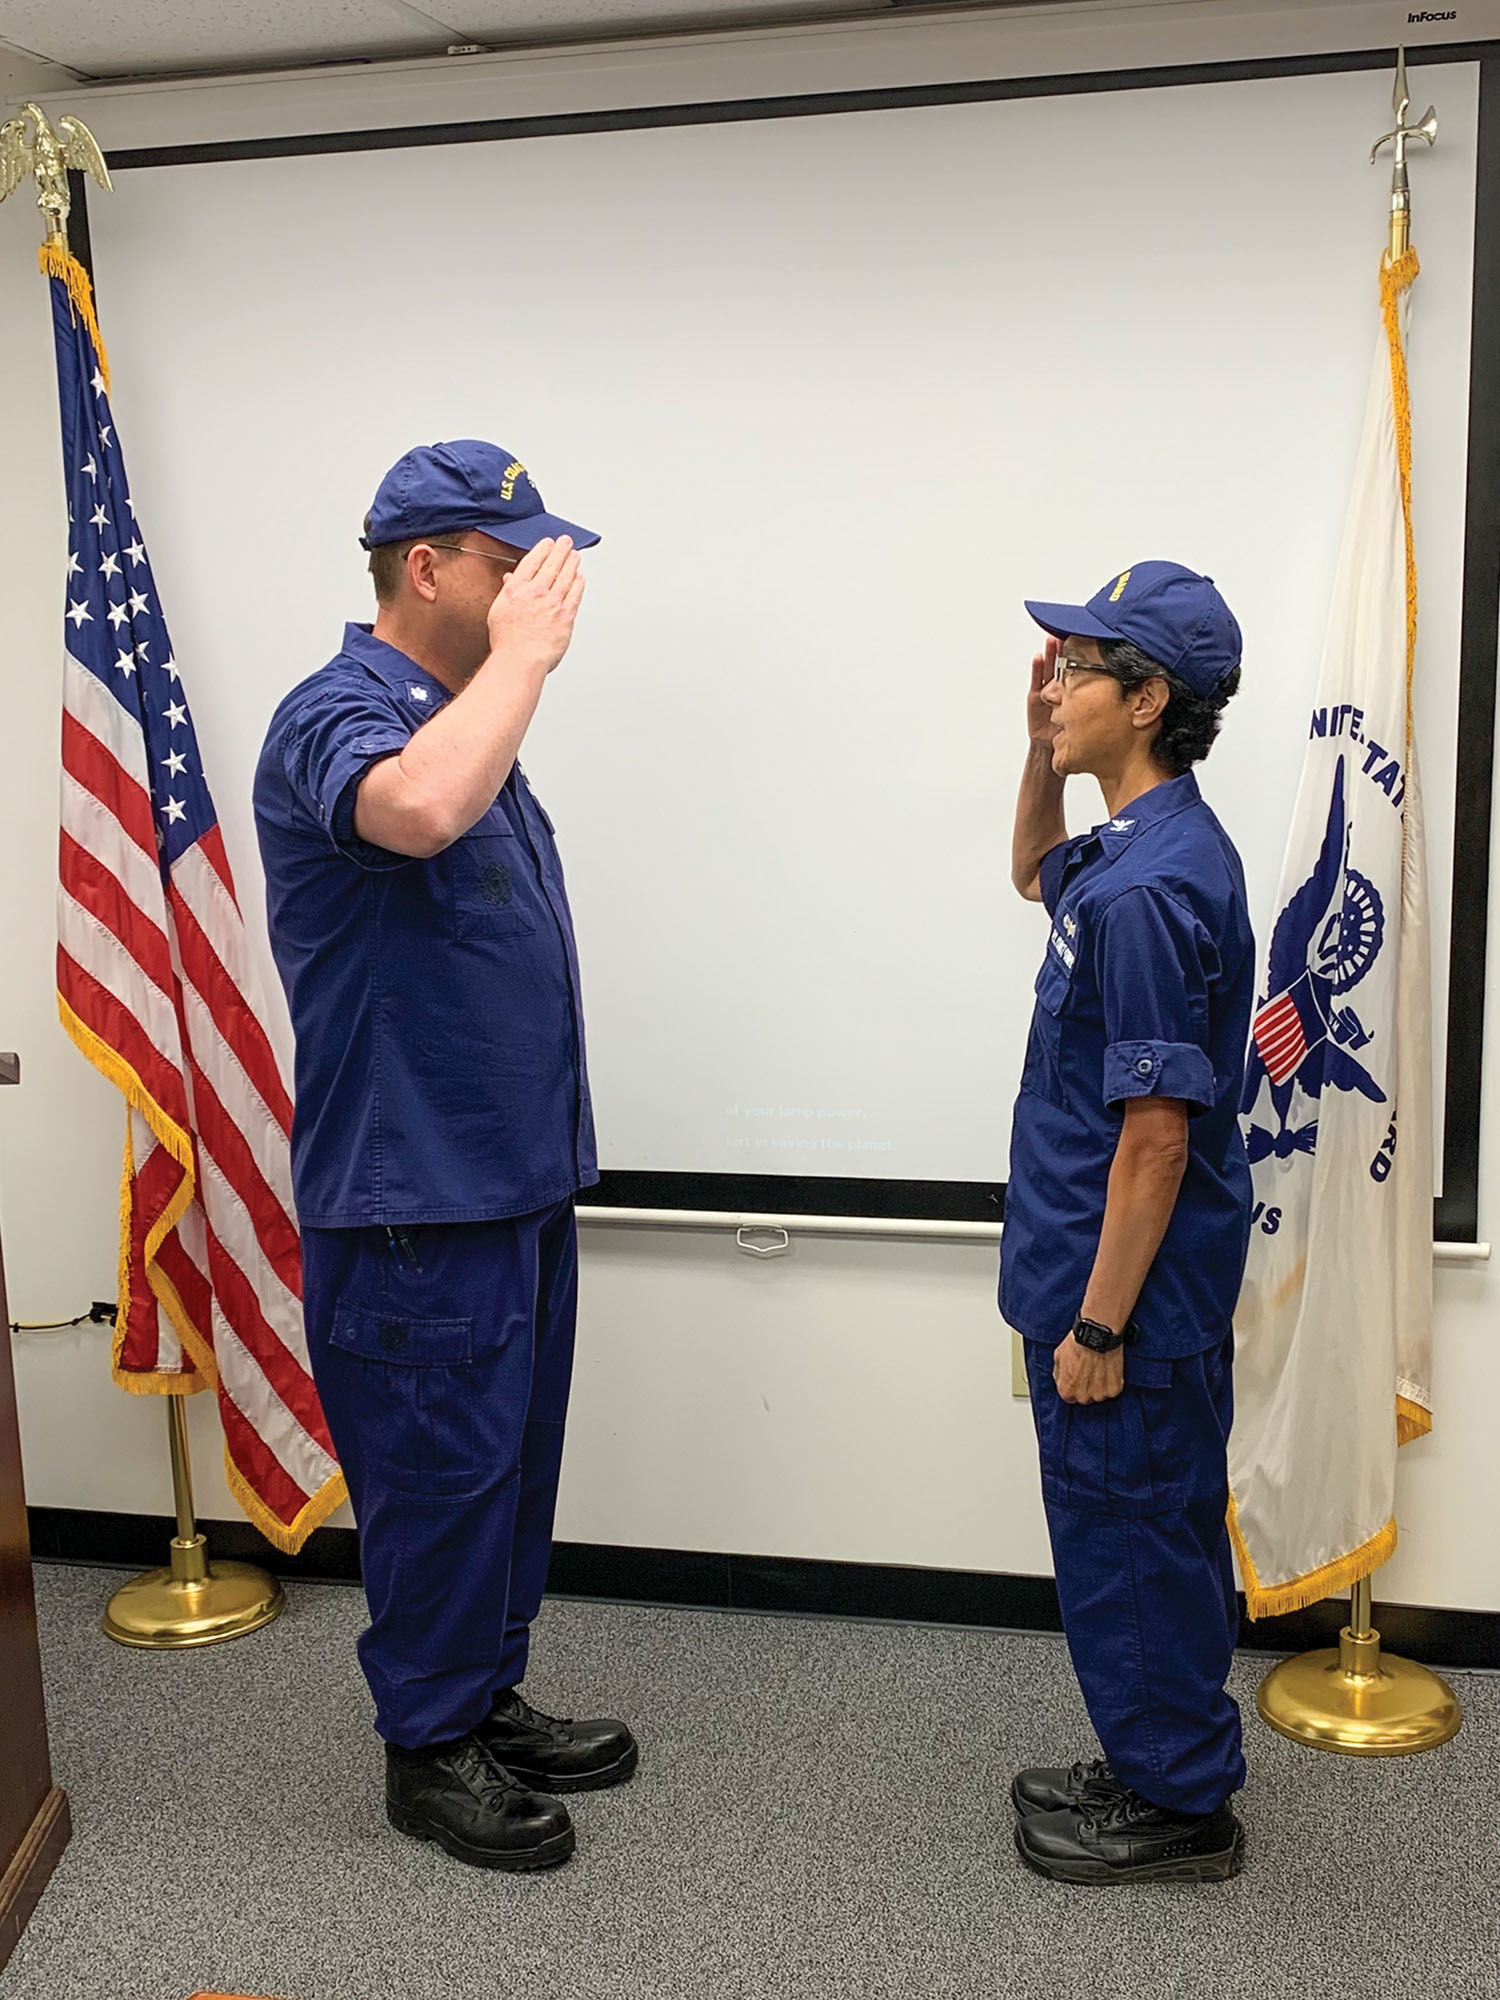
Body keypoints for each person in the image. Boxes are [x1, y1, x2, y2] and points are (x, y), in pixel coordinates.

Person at [253, 439, 635, 1873]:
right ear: (427, 568)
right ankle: (428, 1747)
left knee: (507, 1469)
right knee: (437, 1472)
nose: (544, 579)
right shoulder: (337, 714)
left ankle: (483, 1696)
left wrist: (505, 683)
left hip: (511, 1181)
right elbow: (410, 813)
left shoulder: (467, 721)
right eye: (508, 557)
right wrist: (524, 665)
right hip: (417, 1195)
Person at [999, 561, 1255, 1885]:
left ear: (1147, 699)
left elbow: (1157, 1135)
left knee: (1138, 1540)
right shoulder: (1129, 850)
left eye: (1080, 670)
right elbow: (1035, 870)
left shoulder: (1154, 891)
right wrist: (1036, 743)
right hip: (1089, 1273)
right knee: (1128, 1536)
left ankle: (1180, 1808)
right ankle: (1153, 1749)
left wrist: (1099, 1322)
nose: (1057, 687)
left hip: (1126, 1304)